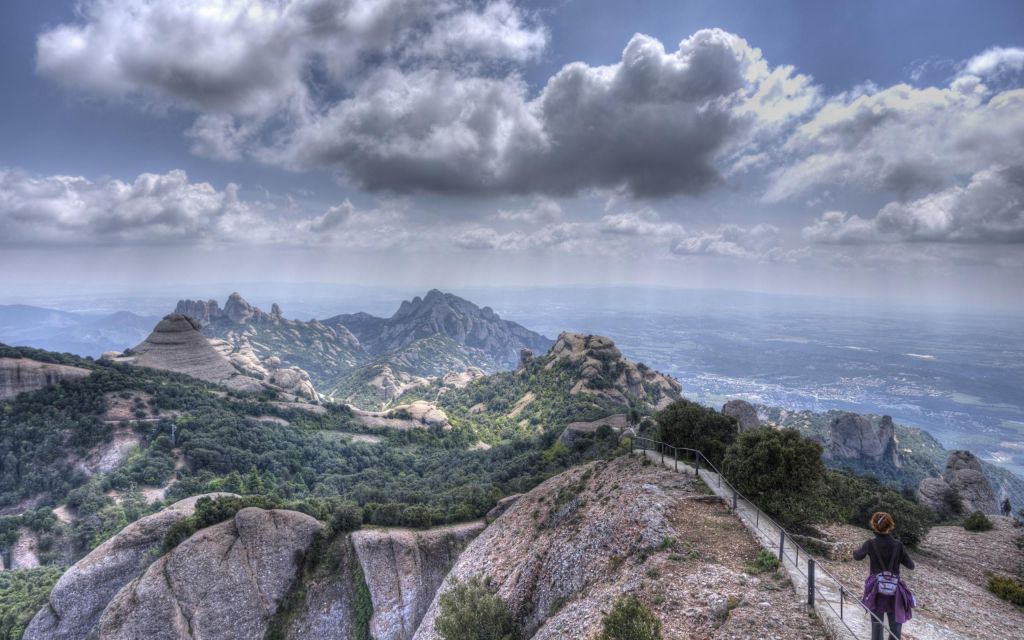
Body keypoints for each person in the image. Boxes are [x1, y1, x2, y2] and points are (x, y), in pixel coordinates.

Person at [853, 512, 916, 640]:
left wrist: (857, 549)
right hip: (895, 591)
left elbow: (857, 556)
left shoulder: (870, 543)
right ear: (890, 525)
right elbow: (911, 565)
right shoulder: (898, 545)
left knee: (877, 624)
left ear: (874, 525)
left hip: (876, 589)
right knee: (895, 626)